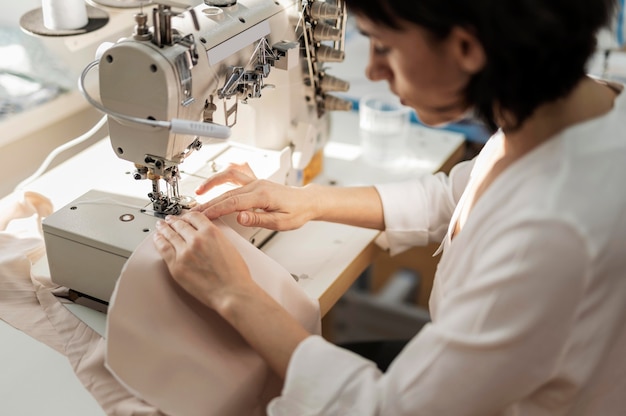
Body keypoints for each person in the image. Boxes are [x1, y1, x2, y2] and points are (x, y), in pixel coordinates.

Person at [152, 0, 626, 414]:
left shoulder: (552, 233)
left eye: (383, 45)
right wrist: (307, 201)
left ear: (466, 47)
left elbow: (386, 410)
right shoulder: (577, 106)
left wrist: (233, 292)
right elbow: (456, 197)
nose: (375, 71)